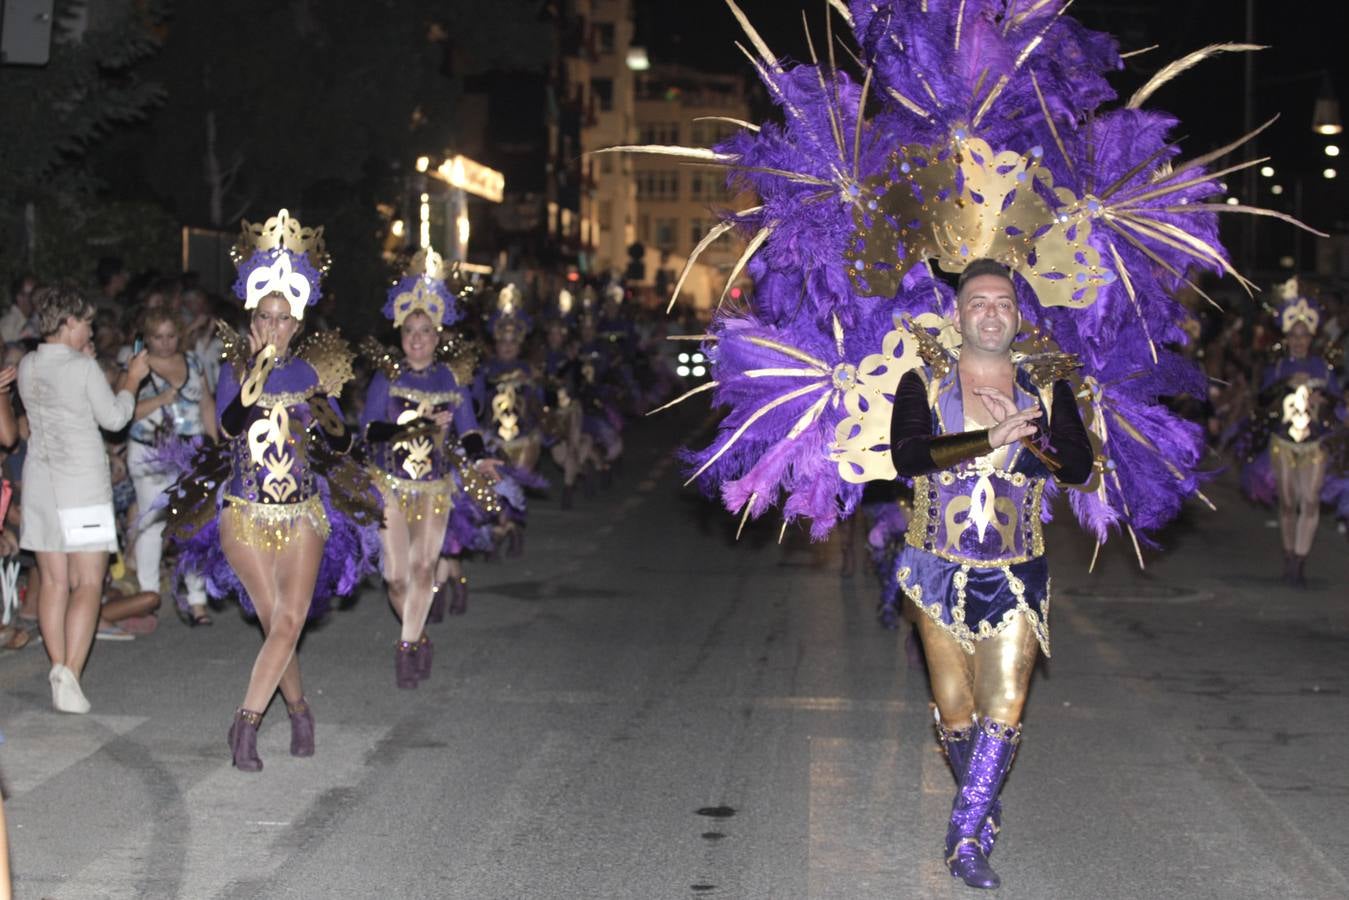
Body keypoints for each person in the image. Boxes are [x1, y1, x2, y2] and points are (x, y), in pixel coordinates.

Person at [888, 260, 1092, 887]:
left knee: (1004, 705)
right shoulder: (921, 381)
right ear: (958, 315)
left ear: (1018, 315)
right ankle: (983, 802)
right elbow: (908, 455)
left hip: (1015, 574)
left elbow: (1078, 466)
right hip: (935, 570)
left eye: (1003, 302)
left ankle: (965, 838)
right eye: (978, 302)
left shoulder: (1050, 387)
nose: (991, 312)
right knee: (956, 711)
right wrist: (987, 436)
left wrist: (1026, 438)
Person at [162, 209, 380, 770]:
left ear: (298, 322)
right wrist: (259, 364)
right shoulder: (235, 367)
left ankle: (255, 721)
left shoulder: (311, 372)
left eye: (284, 318)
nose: (274, 326)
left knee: (285, 624)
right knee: (274, 621)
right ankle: (292, 712)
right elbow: (229, 427)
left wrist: (321, 408)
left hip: (304, 513)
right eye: (265, 316)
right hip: (244, 514)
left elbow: (340, 443)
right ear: (252, 317)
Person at [361, 248, 497, 686]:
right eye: (409, 330)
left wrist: (480, 459)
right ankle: (418, 636)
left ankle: (406, 647)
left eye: (424, 331)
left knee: (424, 570)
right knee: (396, 579)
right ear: (399, 333)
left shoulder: (451, 379)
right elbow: (368, 431)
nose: (416, 339)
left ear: (437, 334)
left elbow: (470, 429)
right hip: (390, 486)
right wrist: (417, 422)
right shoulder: (386, 377)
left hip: (435, 488)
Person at [16, 286, 150, 713]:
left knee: (53, 582)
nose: (90, 329)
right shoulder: (82, 366)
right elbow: (114, 419)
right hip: (83, 487)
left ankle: (59, 666)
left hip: (41, 483)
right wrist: (131, 378)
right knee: (88, 582)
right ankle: (69, 671)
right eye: (87, 322)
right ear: (70, 322)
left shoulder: (27, 364)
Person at [1247, 279, 1344, 585]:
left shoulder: (1322, 368)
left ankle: (1300, 562)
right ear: (1288, 337)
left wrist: (1322, 398)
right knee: (1288, 502)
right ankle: (1289, 553)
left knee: (1310, 500)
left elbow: (1338, 399)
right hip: (1283, 443)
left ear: (1311, 337)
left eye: (1304, 336)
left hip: (1315, 444)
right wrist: (1284, 386)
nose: (1300, 341)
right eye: (1295, 336)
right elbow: (1261, 400)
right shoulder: (1277, 368)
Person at [128, 306, 217, 623]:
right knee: (152, 522)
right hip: (150, 452)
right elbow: (122, 411)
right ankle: (147, 595)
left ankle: (197, 598)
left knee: (194, 523)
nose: (165, 343)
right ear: (147, 338)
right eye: (157, 337)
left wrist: (214, 445)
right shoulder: (139, 365)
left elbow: (206, 403)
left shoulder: (192, 361)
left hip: (190, 452)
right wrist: (159, 400)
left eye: (170, 336)